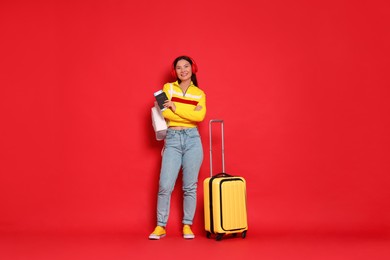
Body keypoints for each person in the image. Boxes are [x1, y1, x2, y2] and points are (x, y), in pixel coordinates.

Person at [149, 56, 206, 240]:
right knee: (165, 185)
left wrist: (175, 108)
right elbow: (165, 113)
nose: (183, 70)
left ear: (193, 68)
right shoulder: (167, 88)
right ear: (175, 71)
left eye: (186, 66)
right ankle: (160, 226)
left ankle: (187, 225)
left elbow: (200, 117)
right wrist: (185, 113)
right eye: (179, 67)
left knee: (190, 186)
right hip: (172, 139)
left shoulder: (200, 94)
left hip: (193, 140)